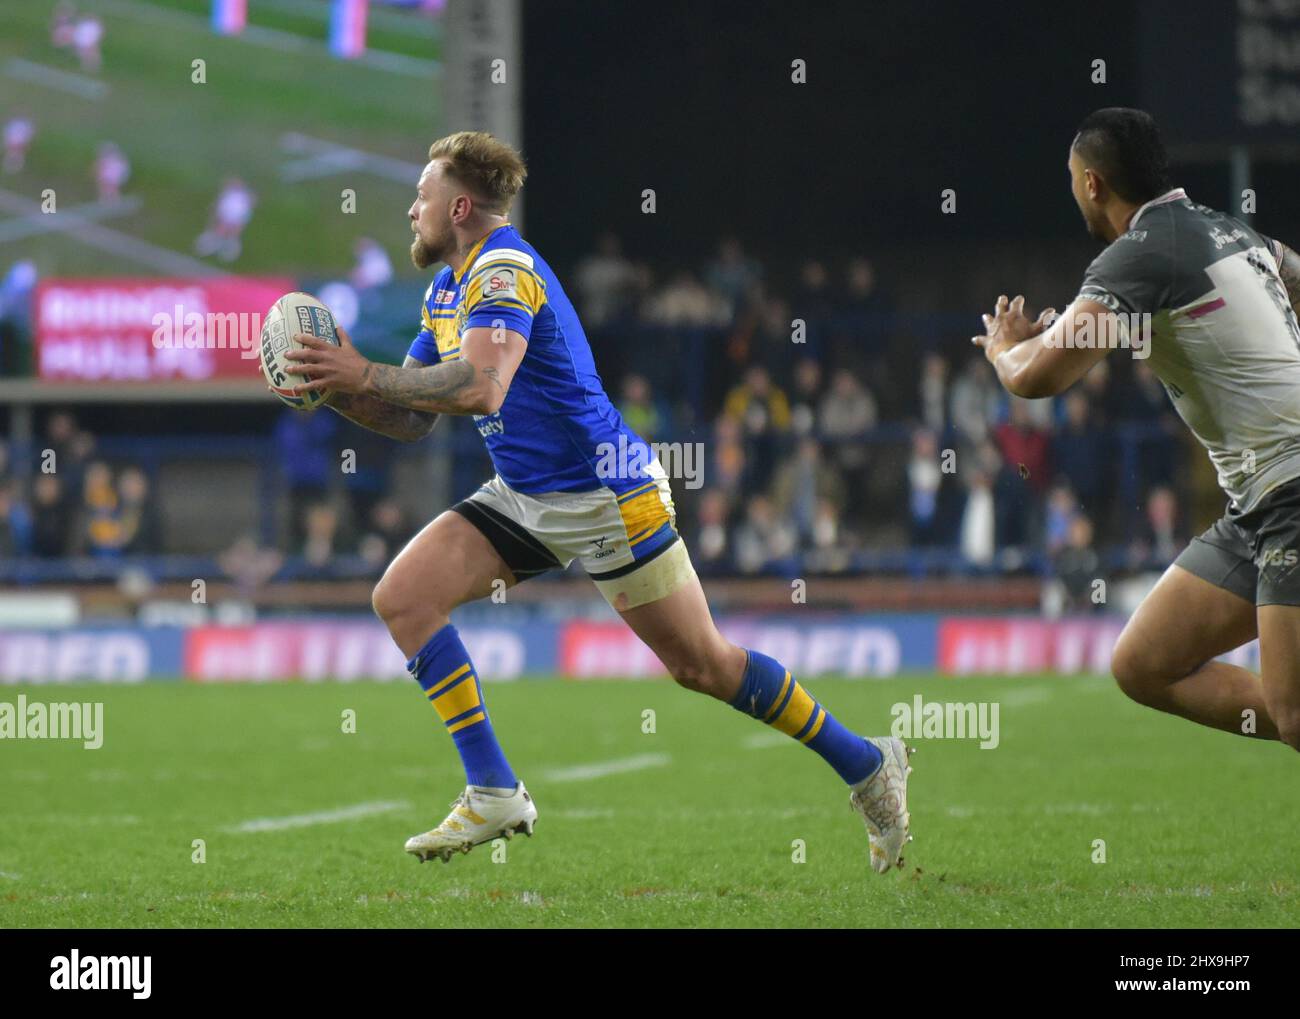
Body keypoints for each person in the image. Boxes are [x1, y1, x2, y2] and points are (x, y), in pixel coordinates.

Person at [281, 131, 912, 872]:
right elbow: (414, 417)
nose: (410, 209)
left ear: (458, 205)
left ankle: (868, 765)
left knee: (704, 666)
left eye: (420, 195)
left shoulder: (505, 271)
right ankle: (491, 787)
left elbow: (482, 385)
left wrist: (364, 370)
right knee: (405, 597)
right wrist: (339, 388)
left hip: (608, 494)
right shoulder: (448, 287)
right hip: (525, 494)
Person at [973, 107, 1300, 751]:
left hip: (1291, 487)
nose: (1073, 192)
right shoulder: (1227, 231)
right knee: (1144, 663)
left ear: (1093, 183)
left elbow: (1033, 379)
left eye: (1072, 178)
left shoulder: (1137, 256)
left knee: (1293, 711)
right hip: (1256, 508)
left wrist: (1001, 350)